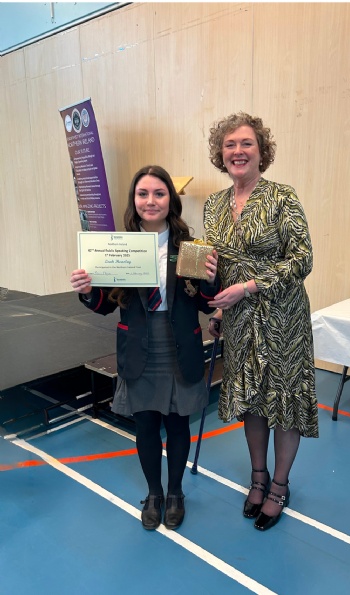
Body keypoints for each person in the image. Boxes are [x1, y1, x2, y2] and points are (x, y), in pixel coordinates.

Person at [70, 165, 219, 531]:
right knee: (146, 425)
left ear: (171, 199)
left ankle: (176, 493)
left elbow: (205, 303)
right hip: (139, 347)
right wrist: (87, 290)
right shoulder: (117, 247)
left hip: (178, 345)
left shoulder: (191, 248)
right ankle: (154, 493)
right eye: (143, 194)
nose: (150, 201)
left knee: (178, 423)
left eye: (159, 193)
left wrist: (212, 281)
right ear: (134, 200)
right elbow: (103, 304)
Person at [203, 113, 318, 532]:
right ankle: (258, 477)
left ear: (261, 151)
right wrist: (220, 307)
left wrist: (248, 287)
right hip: (237, 318)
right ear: (221, 153)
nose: (238, 151)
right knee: (251, 398)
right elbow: (219, 265)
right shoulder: (213, 205)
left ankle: (279, 486)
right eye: (230, 144)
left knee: (284, 400)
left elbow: (302, 258)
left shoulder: (282, 197)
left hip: (282, 316)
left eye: (246, 143)